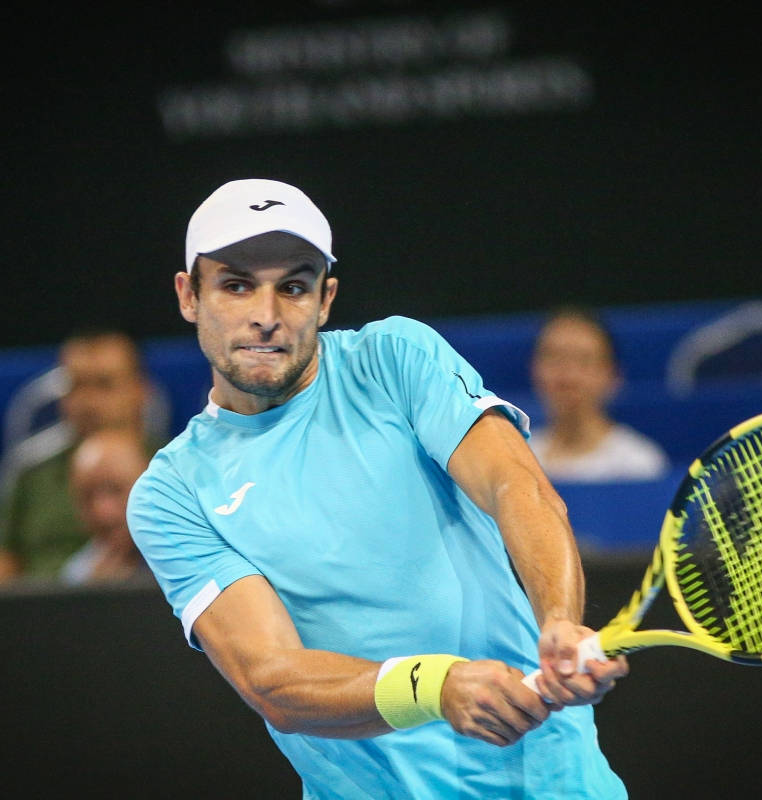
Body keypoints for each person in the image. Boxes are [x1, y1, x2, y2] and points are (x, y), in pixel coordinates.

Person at [127, 178, 629, 798]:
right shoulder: (172, 493)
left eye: (293, 286)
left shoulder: (394, 358)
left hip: (554, 784)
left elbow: (516, 486)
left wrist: (560, 620)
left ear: (326, 298)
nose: (267, 314)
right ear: (189, 295)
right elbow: (273, 678)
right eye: (236, 285)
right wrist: (435, 687)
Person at [0, 329, 158, 584]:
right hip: (46, 614)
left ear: (141, 390)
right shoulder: (29, 472)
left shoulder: (177, 466)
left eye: (104, 385)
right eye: (77, 386)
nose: (89, 402)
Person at [527, 306, 670, 482]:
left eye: (584, 361)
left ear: (613, 375)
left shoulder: (639, 464)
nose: (568, 377)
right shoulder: (516, 457)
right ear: (534, 369)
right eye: (555, 358)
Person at [60, 428, 154, 586]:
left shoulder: (198, 558)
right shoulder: (78, 577)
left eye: (116, 490)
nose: (103, 512)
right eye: (87, 496)